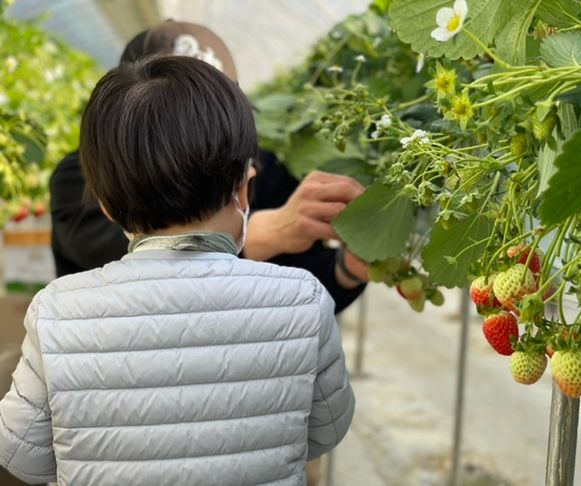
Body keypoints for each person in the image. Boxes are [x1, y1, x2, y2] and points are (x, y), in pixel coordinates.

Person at [0, 55, 354, 485]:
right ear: (243, 187)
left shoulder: (57, 310)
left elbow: (21, 452)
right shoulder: (303, 298)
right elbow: (324, 430)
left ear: (107, 206)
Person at [50, 20, 369, 315]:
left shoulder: (261, 167)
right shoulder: (79, 176)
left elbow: (307, 291)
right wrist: (265, 232)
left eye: (211, 114)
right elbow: (133, 257)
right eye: (175, 115)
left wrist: (347, 270)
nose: (199, 134)